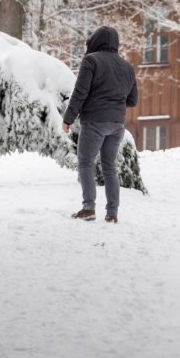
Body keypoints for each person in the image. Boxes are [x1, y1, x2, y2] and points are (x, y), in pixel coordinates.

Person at [61, 25, 138, 223]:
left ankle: (88, 208)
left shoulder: (91, 60)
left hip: (95, 121)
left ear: (95, 41)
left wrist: (68, 118)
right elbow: (132, 100)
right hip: (117, 124)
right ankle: (112, 213)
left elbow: (80, 93)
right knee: (109, 167)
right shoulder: (127, 67)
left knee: (85, 162)